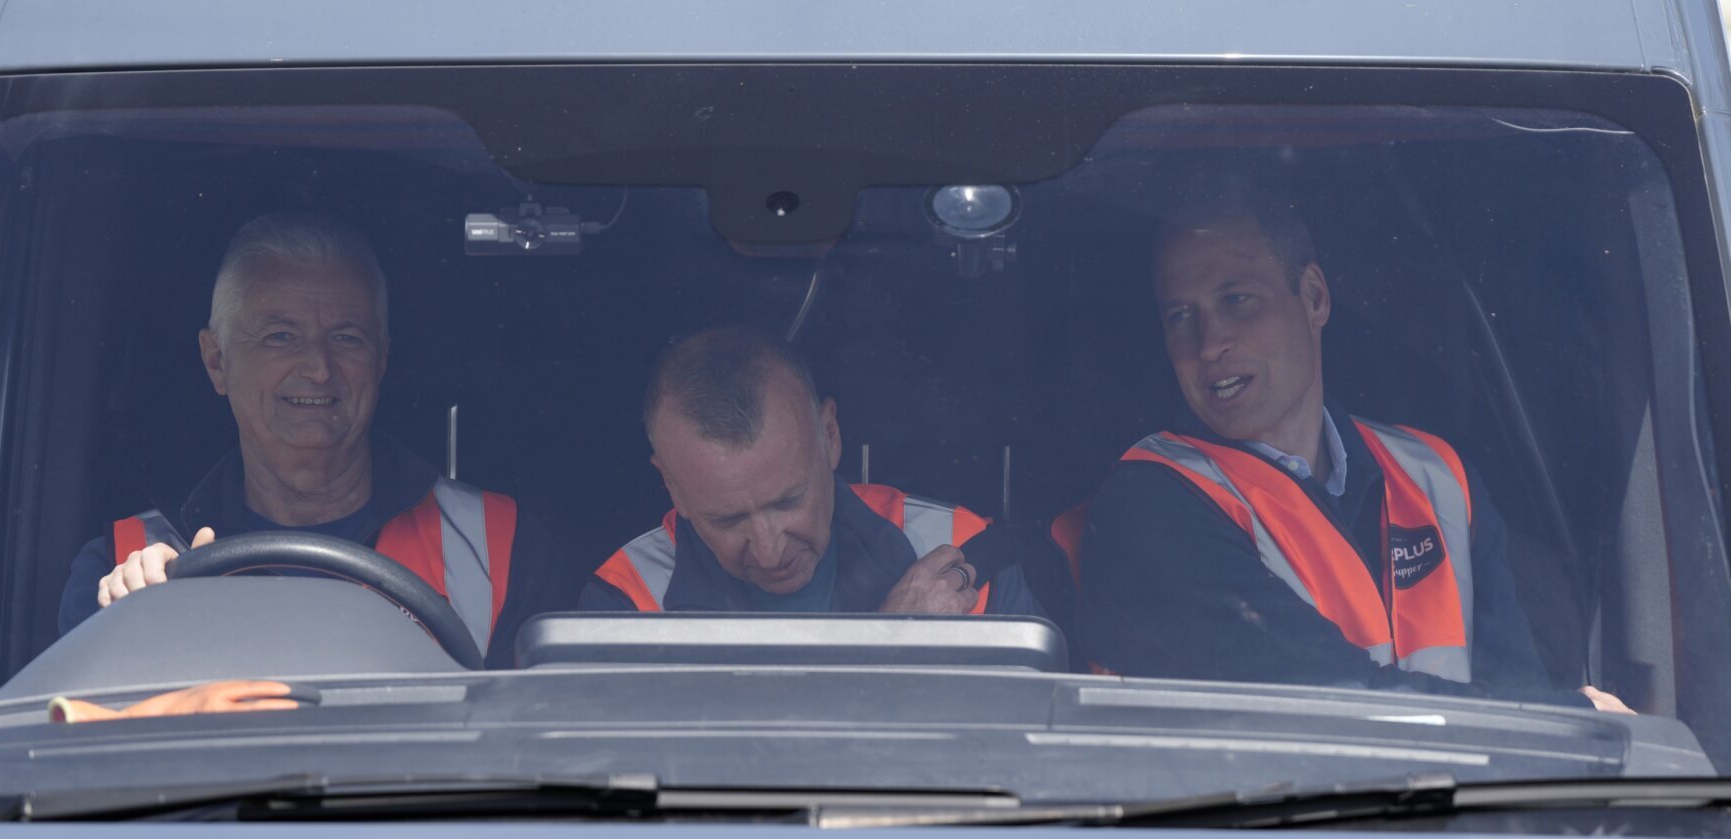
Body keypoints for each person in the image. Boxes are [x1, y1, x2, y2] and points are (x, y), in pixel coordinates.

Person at [1059, 187, 1628, 710]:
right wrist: (1574, 718)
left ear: (1314, 297)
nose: (1209, 345)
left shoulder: (1441, 479)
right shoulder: (1151, 507)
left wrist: (1548, 722)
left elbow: (1519, 699)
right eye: (1180, 316)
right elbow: (1323, 704)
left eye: (1237, 300)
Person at [57, 212, 569, 667]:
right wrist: (132, 626)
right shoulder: (124, 567)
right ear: (217, 362)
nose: (319, 368)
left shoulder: (501, 547)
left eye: (347, 338)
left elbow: (537, 731)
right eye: (281, 336)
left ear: (382, 360)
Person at [582, 327, 1044, 617]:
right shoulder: (627, 601)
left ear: (830, 435)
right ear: (672, 486)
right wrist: (888, 649)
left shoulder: (960, 554)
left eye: (788, 501)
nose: (769, 553)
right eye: (727, 520)